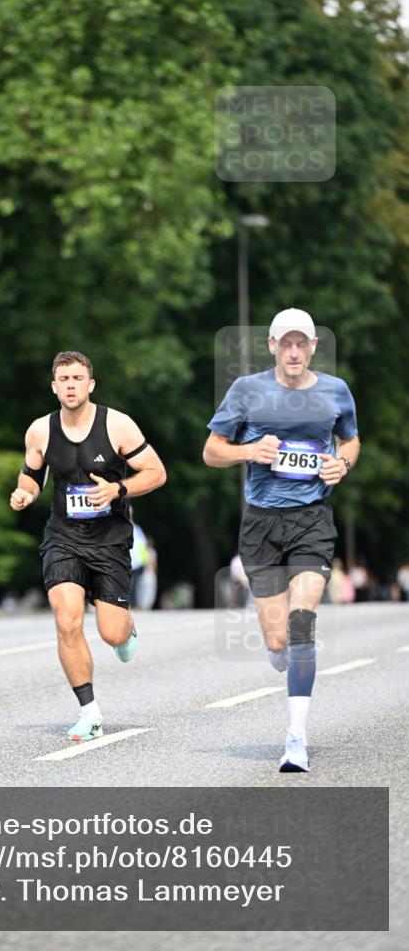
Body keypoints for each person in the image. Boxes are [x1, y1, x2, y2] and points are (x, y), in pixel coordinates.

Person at [203, 308, 360, 772]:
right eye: (285, 343)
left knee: (301, 624)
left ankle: (296, 738)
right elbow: (211, 451)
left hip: (313, 519)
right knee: (276, 641)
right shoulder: (246, 390)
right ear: (271, 345)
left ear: (313, 347)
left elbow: (349, 441)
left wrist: (342, 464)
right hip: (262, 524)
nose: (294, 351)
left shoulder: (336, 391)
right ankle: (280, 654)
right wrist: (250, 451)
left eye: (302, 344)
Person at [10, 351, 167, 742]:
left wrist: (118, 489)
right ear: (54, 386)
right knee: (66, 619)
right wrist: (24, 493)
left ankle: (126, 632)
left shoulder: (117, 425)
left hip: (110, 538)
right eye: (64, 379)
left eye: (78, 378)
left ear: (90, 384)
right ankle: (89, 713)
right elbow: (32, 475)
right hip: (64, 537)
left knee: (111, 633)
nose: (71, 385)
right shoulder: (40, 431)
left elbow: (157, 472)